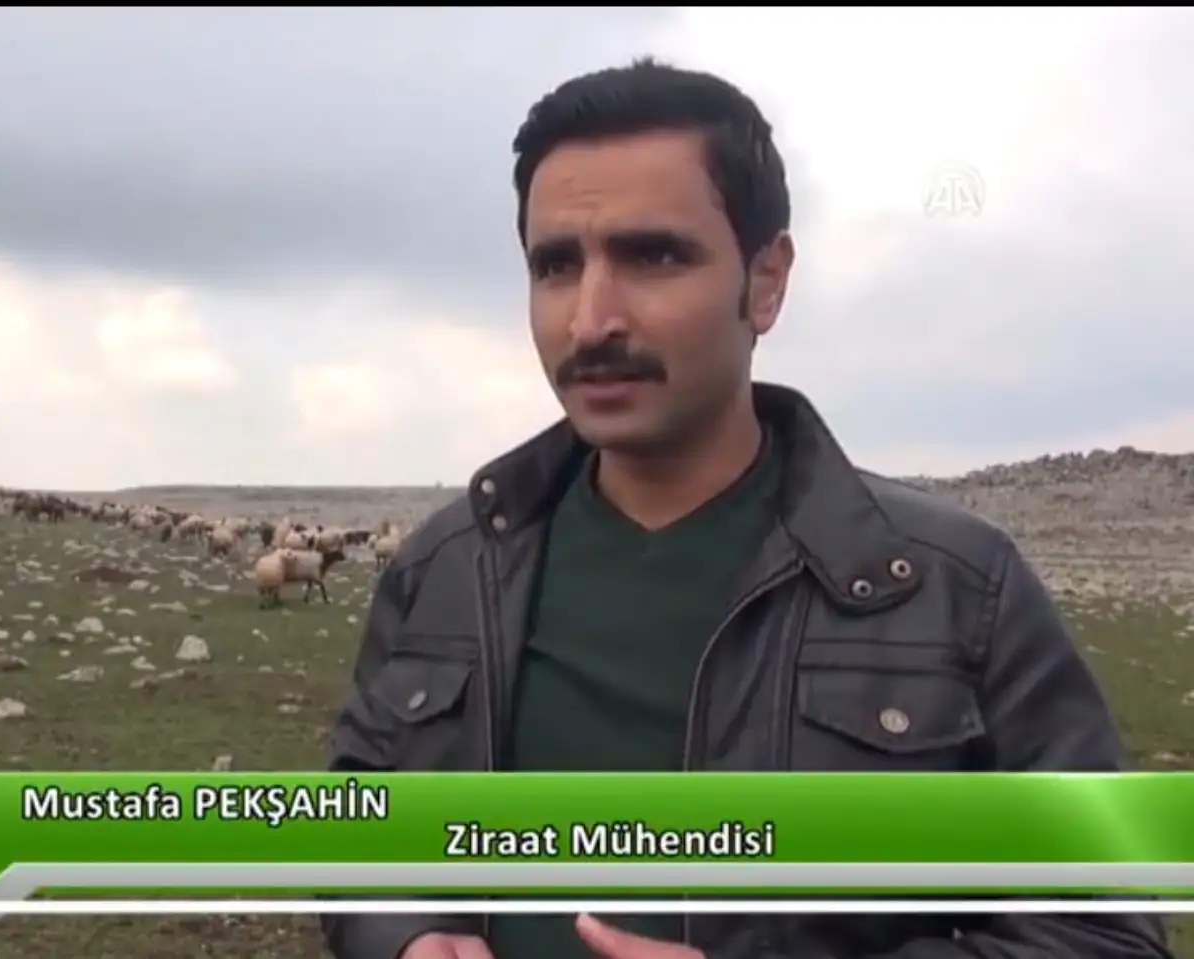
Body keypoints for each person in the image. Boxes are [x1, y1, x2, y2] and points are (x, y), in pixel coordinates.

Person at [322, 58, 1170, 959]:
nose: (591, 320)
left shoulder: (956, 590)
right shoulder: (447, 570)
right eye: (556, 265)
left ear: (766, 281)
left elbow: (1101, 932)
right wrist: (405, 933)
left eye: (654, 256)